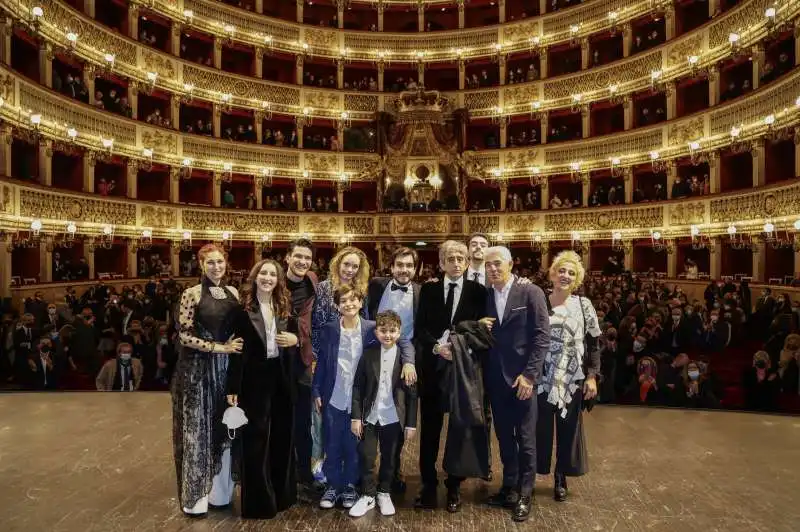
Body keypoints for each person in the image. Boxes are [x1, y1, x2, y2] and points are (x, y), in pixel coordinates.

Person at [311, 286, 415, 511]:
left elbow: (402, 340)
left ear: (361, 303)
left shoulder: (371, 328)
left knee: (354, 445)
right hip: (334, 395)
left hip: (363, 398)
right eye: (343, 300)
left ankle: (349, 485)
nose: (349, 303)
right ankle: (333, 485)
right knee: (332, 442)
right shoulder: (329, 329)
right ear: (337, 306)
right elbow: (321, 361)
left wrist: (409, 361)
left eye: (353, 299)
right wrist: (317, 390)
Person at [171, 243, 244, 517]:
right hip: (197, 371)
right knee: (198, 431)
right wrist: (219, 348)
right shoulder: (190, 294)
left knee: (224, 428)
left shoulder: (233, 292)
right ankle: (195, 498)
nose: (216, 267)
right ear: (201, 265)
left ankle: (220, 493)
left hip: (226, 370)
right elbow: (184, 336)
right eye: (210, 262)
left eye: (220, 262)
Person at [414, 240, 487, 512]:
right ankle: (428, 484)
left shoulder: (478, 291)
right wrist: (436, 346)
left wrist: (457, 347)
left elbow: (482, 330)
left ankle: (454, 485)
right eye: (450, 258)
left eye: (461, 258)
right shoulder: (429, 289)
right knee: (430, 431)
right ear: (441, 262)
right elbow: (420, 327)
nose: (456, 263)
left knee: (460, 430)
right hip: (433, 369)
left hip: (463, 372)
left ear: (468, 262)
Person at [226, 259, 299, 519]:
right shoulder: (242, 309)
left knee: (282, 436)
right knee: (255, 441)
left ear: (279, 280)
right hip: (253, 378)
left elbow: (296, 341)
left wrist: (296, 340)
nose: (268, 278)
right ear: (255, 277)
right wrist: (233, 386)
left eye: (273, 274)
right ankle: (259, 503)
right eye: (263, 273)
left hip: (280, 376)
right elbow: (236, 351)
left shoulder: (285, 307)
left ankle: (282, 496)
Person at [482, 246, 549, 522]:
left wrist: (531, 376)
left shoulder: (530, 292)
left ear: (510, 264)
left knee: (526, 437)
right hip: (496, 379)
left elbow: (541, 337)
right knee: (504, 437)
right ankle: (509, 485)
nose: (493, 269)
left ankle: (525, 491)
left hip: (522, 378)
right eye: (488, 266)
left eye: (498, 264)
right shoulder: (485, 296)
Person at [535, 250, 600, 507]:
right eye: (561, 270)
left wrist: (592, 377)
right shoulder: (539, 300)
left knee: (568, 429)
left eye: (571, 273)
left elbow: (594, 344)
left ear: (577, 279)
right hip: (541, 376)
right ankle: (533, 473)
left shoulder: (584, 305)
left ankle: (561, 477)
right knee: (538, 428)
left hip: (572, 377)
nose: (565, 275)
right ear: (552, 272)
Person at [348, 310, 418, 518]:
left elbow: (412, 395)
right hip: (370, 416)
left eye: (393, 331)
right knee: (366, 455)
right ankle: (368, 495)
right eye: (383, 330)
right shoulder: (368, 354)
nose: (388, 335)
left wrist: (411, 424)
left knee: (390, 457)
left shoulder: (406, 361)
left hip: (394, 417)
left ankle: (384, 492)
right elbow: (358, 387)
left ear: (399, 332)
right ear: (376, 332)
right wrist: (355, 416)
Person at [365, 246, 420, 492]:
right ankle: (364, 470)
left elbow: (413, 335)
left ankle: (392, 469)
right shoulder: (376, 285)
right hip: (373, 351)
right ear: (392, 267)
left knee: (396, 414)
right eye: (400, 265)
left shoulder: (420, 292)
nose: (404, 270)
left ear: (415, 268)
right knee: (367, 408)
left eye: (409, 265)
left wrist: (409, 360)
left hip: (404, 354)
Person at [283, 239, 319, 493]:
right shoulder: (272, 279)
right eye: (298, 256)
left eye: (307, 258)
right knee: (279, 417)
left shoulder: (313, 282)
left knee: (303, 420)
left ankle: (304, 473)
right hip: (276, 359)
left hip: (303, 359)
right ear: (287, 257)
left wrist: (303, 341)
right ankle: (282, 472)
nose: (302, 262)